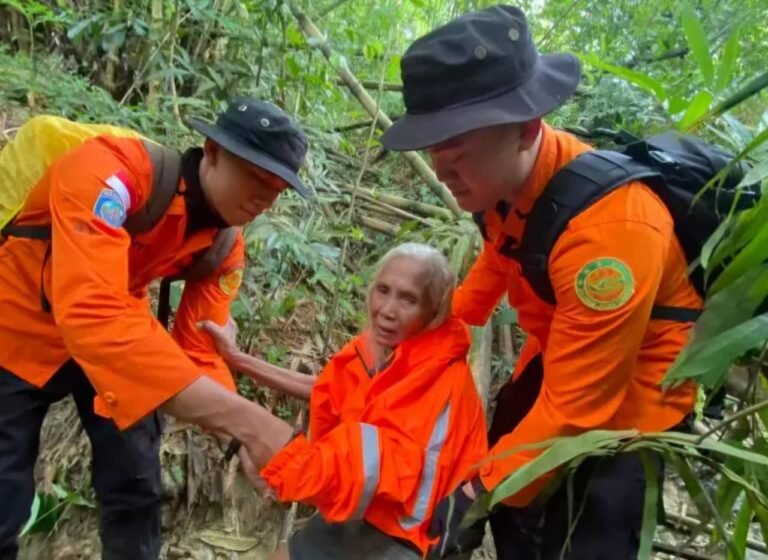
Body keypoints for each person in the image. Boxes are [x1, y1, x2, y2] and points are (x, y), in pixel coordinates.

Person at [381, 5, 701, 559]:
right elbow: (497, 263)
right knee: (516, 526)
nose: (442, 176)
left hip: (630, 413)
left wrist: (478, 492)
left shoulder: (610, 236)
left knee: (579, 538)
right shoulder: (502, 186)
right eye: (435, 156)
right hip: (555, 362)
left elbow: (580, 411)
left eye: (456, 159)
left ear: (527, 129)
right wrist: (424, 339)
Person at [0, 97, 308, 560]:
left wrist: (235, 439)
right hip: (17, 329)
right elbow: (92, 310)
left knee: (136, 482)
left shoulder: (224, 248)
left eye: (278, 188)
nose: (265, 198)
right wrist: (250, 421)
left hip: (118, 346)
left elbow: (201, 349)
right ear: (212, 151)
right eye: (256, 177)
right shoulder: (111, 171)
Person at [200, 243, 489, 560]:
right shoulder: (386, 351)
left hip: (414, 537)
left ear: (433, 312)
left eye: (408, 299)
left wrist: (288, 465)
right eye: (383, 290)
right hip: (370, 513)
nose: (387, 310)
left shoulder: (439, 377)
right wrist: (239, 360)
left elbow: (373, 465)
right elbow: (327, 388)